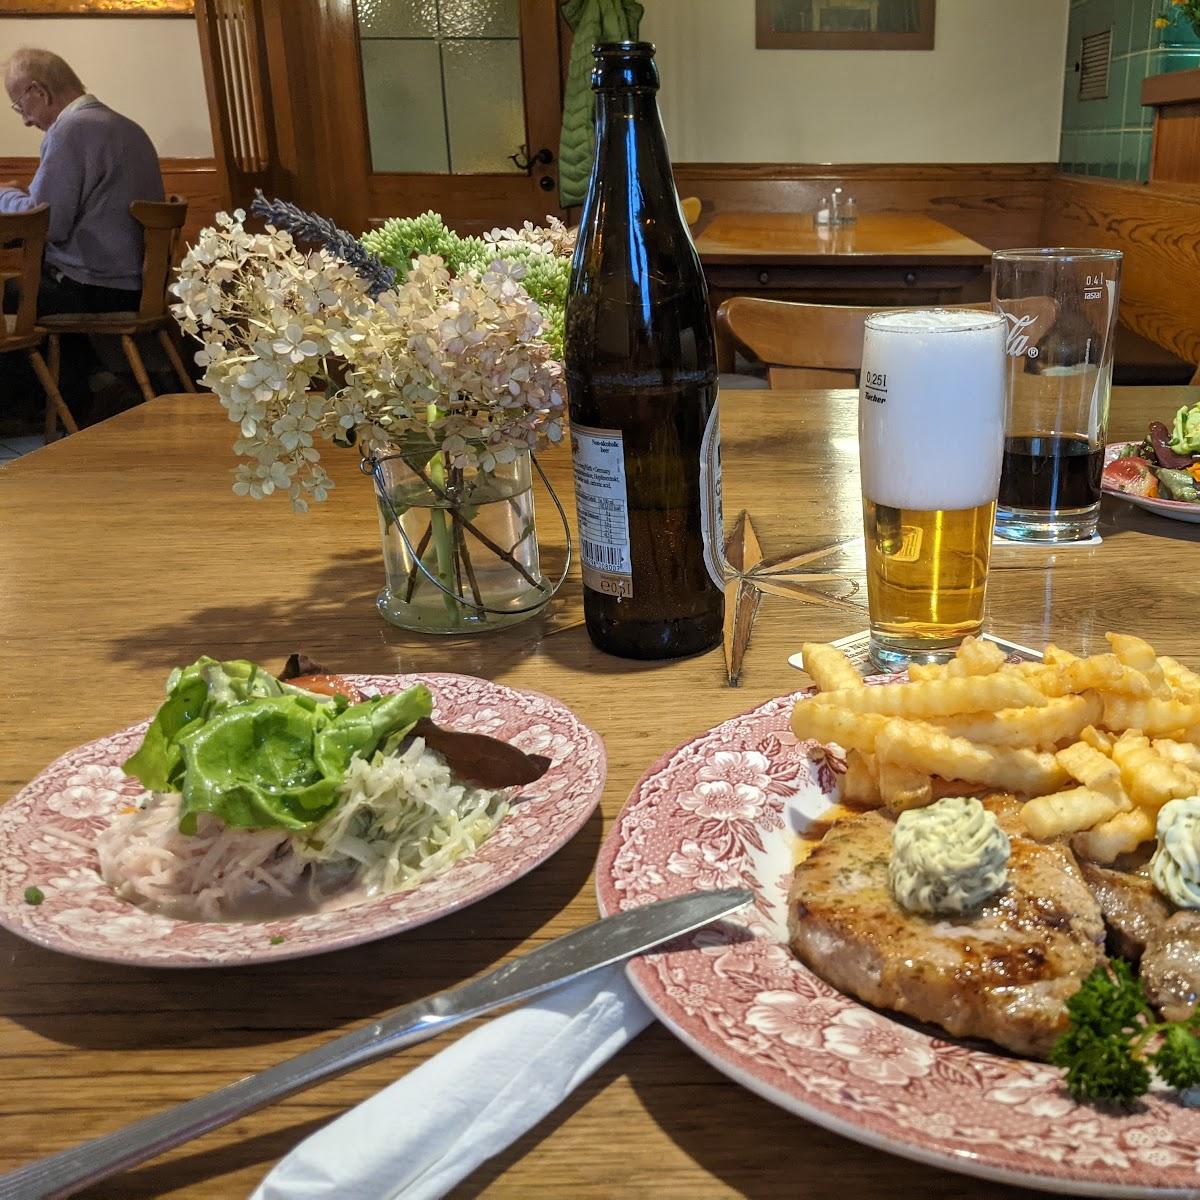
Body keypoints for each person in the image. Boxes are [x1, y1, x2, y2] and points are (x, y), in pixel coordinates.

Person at [1, 48, 164, 316]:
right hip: (137, 288)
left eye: (21, 106)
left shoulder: (70, 129)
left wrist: (3, 195)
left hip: (93, 290)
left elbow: (45, 224)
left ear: (38, 91)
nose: (26, 121)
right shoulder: (129, 128)